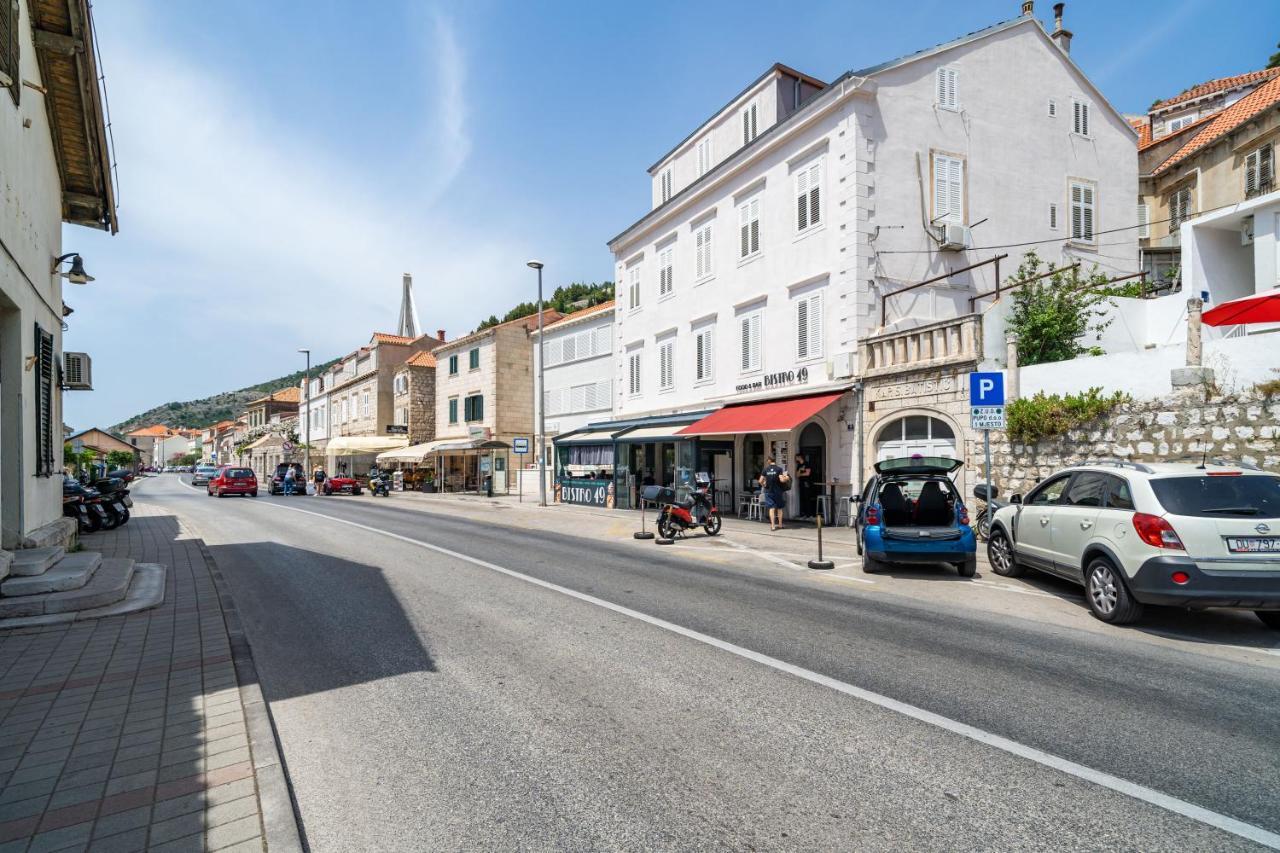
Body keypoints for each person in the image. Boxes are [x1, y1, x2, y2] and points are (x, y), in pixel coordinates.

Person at [758, 456, 789, 531]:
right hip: (778, 491)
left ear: (769, 460)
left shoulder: (765, 469)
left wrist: (764, 485)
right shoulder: (779, 469)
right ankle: (780, 525)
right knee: (779, 508)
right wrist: (786, 478)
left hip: (768, 491)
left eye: (767, 460)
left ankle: (773, 526)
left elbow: (760, 481)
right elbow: (782, 480)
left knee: (771, 508)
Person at [795, 453, 813, 519]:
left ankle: (809, 514)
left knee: (807, 498)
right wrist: (800, 471)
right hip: (801, 483)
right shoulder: (799, 465)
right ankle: (804, 514)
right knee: (802, 498)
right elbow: (797, 475)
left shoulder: (807, 464)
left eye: (796, 457)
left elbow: (808, 473)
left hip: (807, 483)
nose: (795, 459)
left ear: (800, 457)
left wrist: (801, 474)